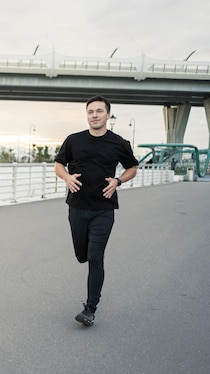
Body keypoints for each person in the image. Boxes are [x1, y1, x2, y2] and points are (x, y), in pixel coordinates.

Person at [54, 95, 138, 326]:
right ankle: (90, 297)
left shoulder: (118, 143)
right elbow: (58, 164)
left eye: (99, 111)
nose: (95, 115)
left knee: (94, 257)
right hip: (77, 207)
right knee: (82, 255)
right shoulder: (74, 140)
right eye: (91, 111)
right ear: (87, 115)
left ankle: (90, 309)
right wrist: (67, 177)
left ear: (108, 115)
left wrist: (118, 181)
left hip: (104, 209)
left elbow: (132, 167)